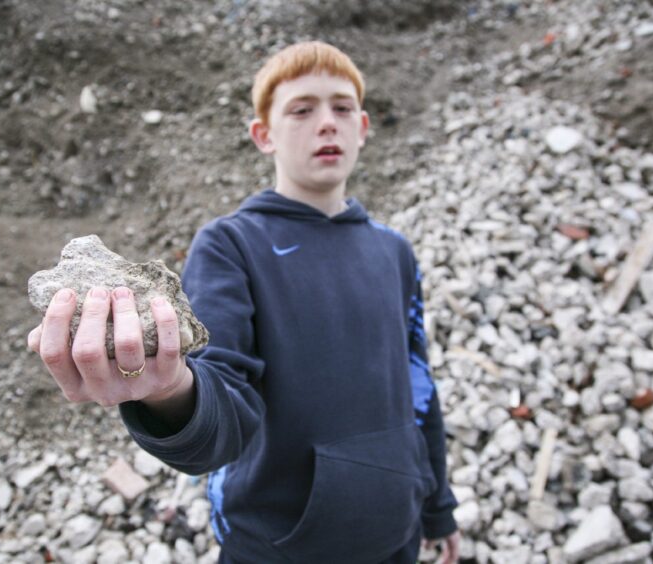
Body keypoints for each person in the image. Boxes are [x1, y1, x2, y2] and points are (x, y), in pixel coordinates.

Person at [29, 41, 460, 563]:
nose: (327, 122)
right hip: (277, 548)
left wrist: (437, 506)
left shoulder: (393, 251)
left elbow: (419, 387)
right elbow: (222, 406)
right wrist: (168, 394)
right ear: (264, 135)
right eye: (301, 109)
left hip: (397, 536)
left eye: (342, 107)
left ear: (363, 127)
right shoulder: (232, 244)